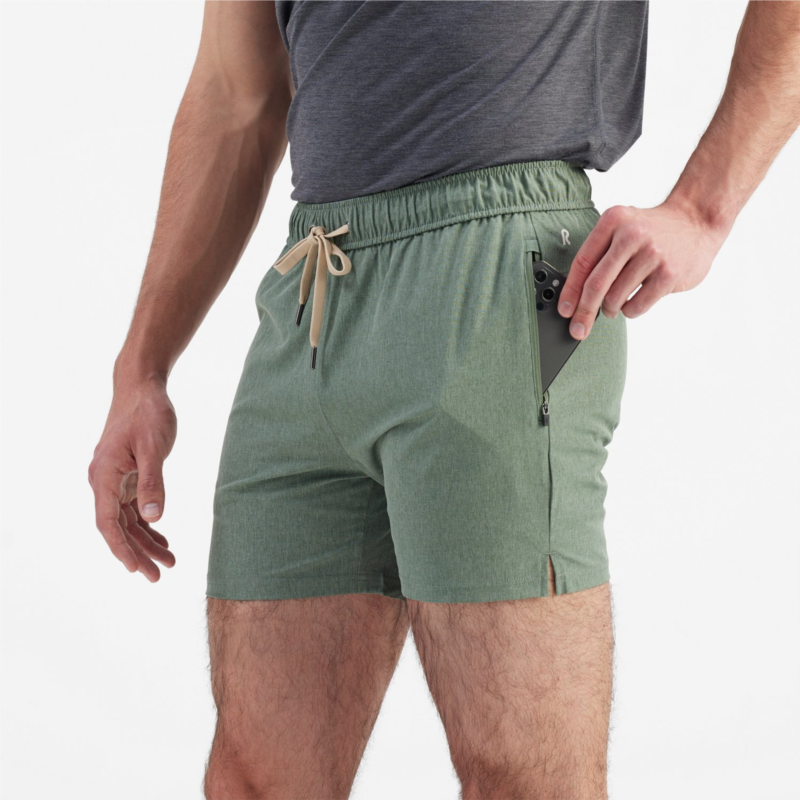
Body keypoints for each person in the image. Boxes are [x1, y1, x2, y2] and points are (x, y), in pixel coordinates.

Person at [88, 0, 800, 797]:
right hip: (313, 292)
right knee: (256, 780)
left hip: (499, 276)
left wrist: (702, 208)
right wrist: (141, 367)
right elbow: (235, 92)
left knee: (525, 779)